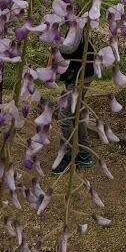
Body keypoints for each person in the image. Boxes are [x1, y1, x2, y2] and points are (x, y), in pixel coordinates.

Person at [52, 30, 95, 174]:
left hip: (80, 77)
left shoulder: (78, 26)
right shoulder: (74, 26)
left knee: (65, 117)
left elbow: (70, 48)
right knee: (77, 115)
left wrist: (53, 40)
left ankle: (68, 156)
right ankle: (84, 155)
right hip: (76, 75)